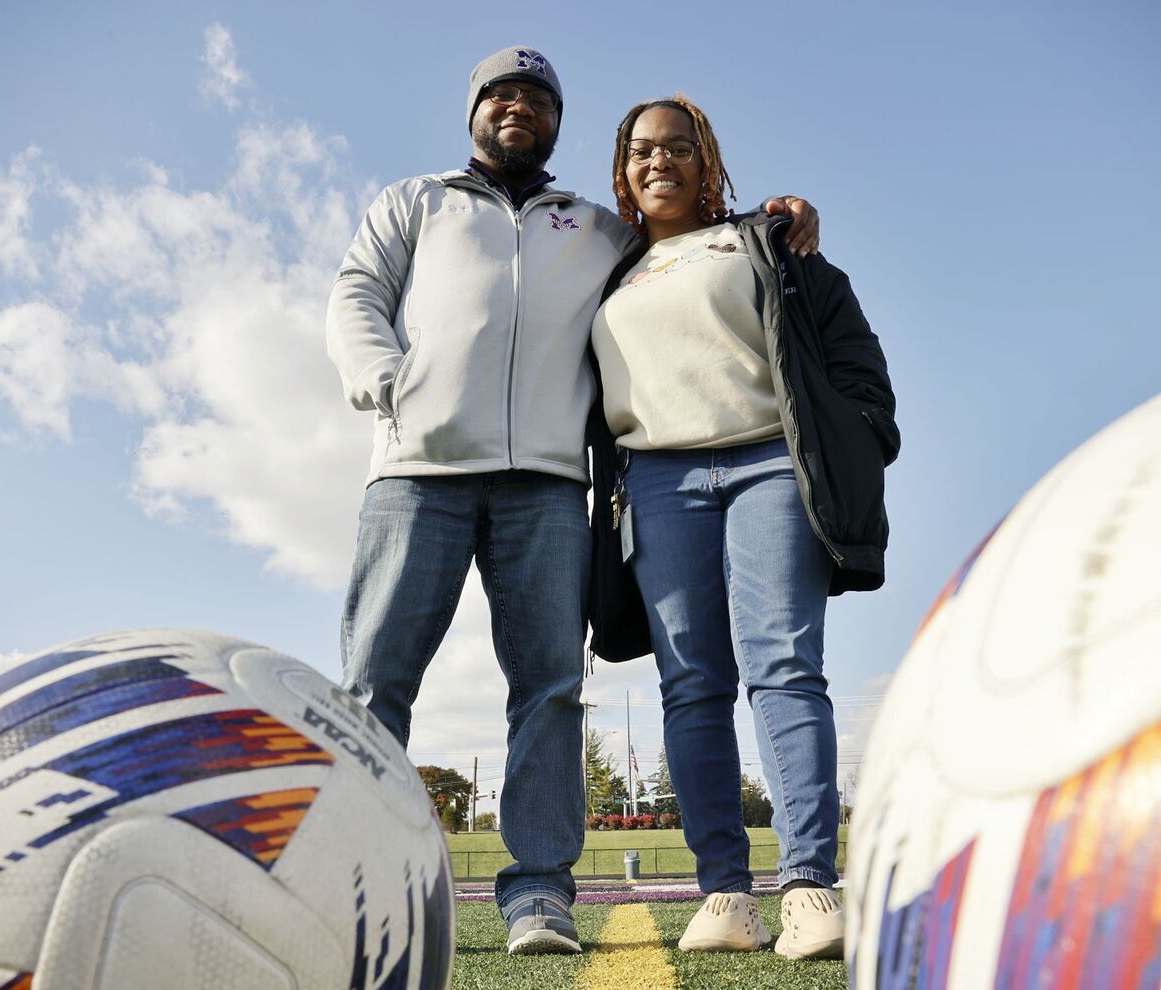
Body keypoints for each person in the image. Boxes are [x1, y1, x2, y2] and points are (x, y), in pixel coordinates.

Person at [326, 48, 819, 956]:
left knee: (549, 689)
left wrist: (778, 217)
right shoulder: (415, 203)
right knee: (373, 684)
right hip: (415, 475)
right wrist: (384, 378)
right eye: (501, 96)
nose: (518, 108)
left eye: (537, 99)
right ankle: (348, 885)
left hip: (550, 486)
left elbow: (687, 248)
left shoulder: (594, 227)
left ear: (557, 123)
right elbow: (357, 291)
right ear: (474, 112)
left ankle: (540, 895)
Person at [589, 95, 899, 960]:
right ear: (623, 171)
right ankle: (725, 895)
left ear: (707, 160)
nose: (661, 163)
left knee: (785, 664)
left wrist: (861, 437)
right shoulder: (607, 270)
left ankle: (809, 888)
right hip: (655, 477)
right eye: (643, 151)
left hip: (768, 462)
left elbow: (851, 349)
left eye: (679, 148)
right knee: (691, 685)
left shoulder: (765, 239)